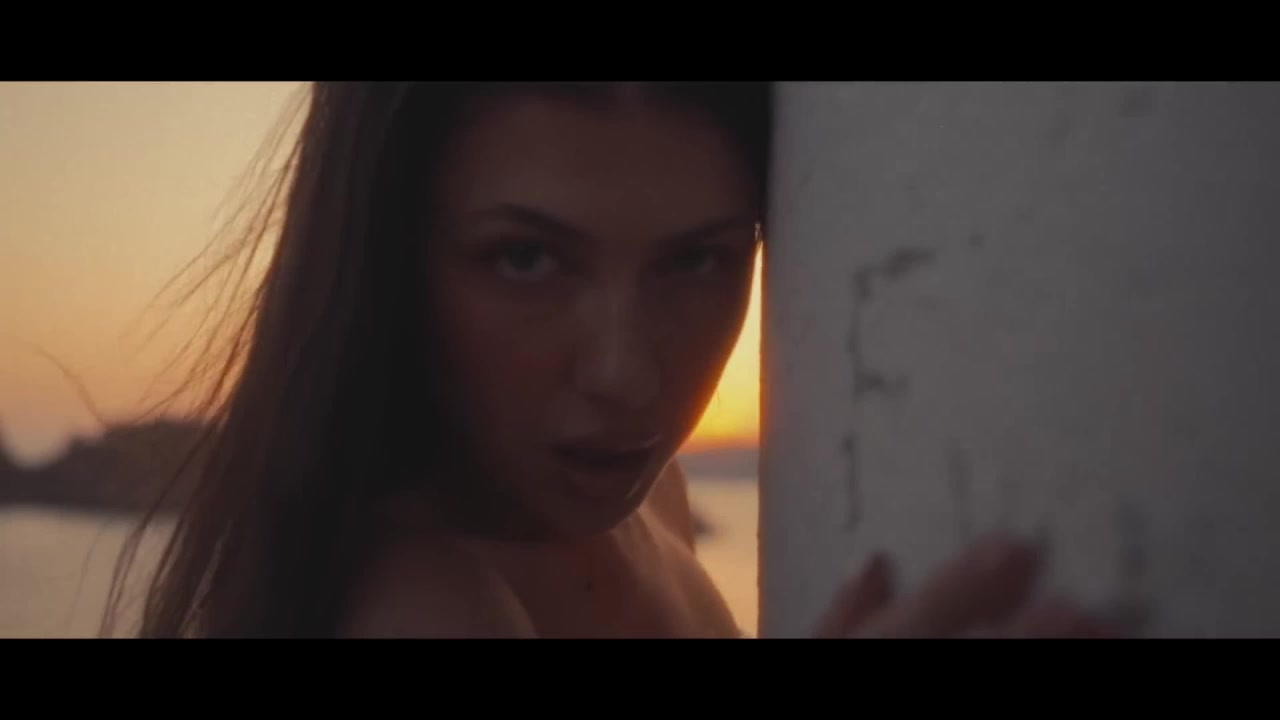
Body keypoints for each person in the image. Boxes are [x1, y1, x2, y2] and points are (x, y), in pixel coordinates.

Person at [104, 82, 1111, 638]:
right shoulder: (431, 607)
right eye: (526, 258)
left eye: (697, 260)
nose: (627, 377)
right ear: (387, 256)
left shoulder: (652, 501)